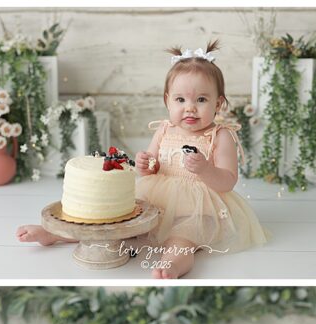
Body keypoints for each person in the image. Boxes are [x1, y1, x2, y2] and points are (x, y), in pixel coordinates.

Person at [17, 39, 269, 278]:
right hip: (157, 201)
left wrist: (204, 169)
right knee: (118, 228)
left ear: (219, 104)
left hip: (198, 209)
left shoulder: (220, 135)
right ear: (167, 101)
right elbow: (150, 168)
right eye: (180, 99)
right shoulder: (164, 129)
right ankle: (57, 235)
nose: (190, 107)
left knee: (181, 241)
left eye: (201, 99)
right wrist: (146, 164)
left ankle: (171, 265)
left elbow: (227, 181)